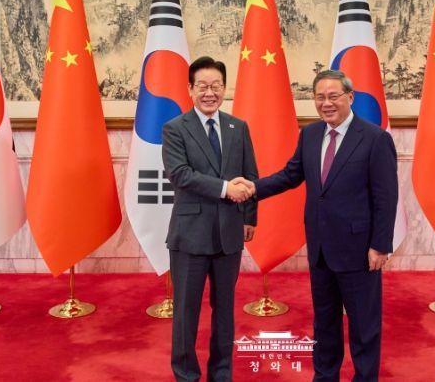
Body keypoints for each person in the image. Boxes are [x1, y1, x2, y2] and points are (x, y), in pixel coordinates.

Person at [236, 69, 398, 381]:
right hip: (321, 249)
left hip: (359, 251)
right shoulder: (310, 135)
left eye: (333, 96)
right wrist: (254, 188)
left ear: (350, 97)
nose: (326, 103)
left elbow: (386, 197)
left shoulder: (375, 139)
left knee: (364, 325)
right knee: (324, 322)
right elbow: (290, 175)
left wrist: (380, 245)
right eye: (320, 97)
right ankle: (325, 376)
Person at [162, 56, 257, 382]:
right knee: (185, 314)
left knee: (225, 313)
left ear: (224, 88)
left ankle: (221, 373)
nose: (209, 93)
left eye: (216, 86)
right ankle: (186, 375)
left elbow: (250, 175)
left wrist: (250, 217)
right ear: (190, 89)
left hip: (229, 233)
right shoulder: (175, 128)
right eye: (202, 86)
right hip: (190, 235)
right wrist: (225, 188)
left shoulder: (237, 127)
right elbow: (180, 175)